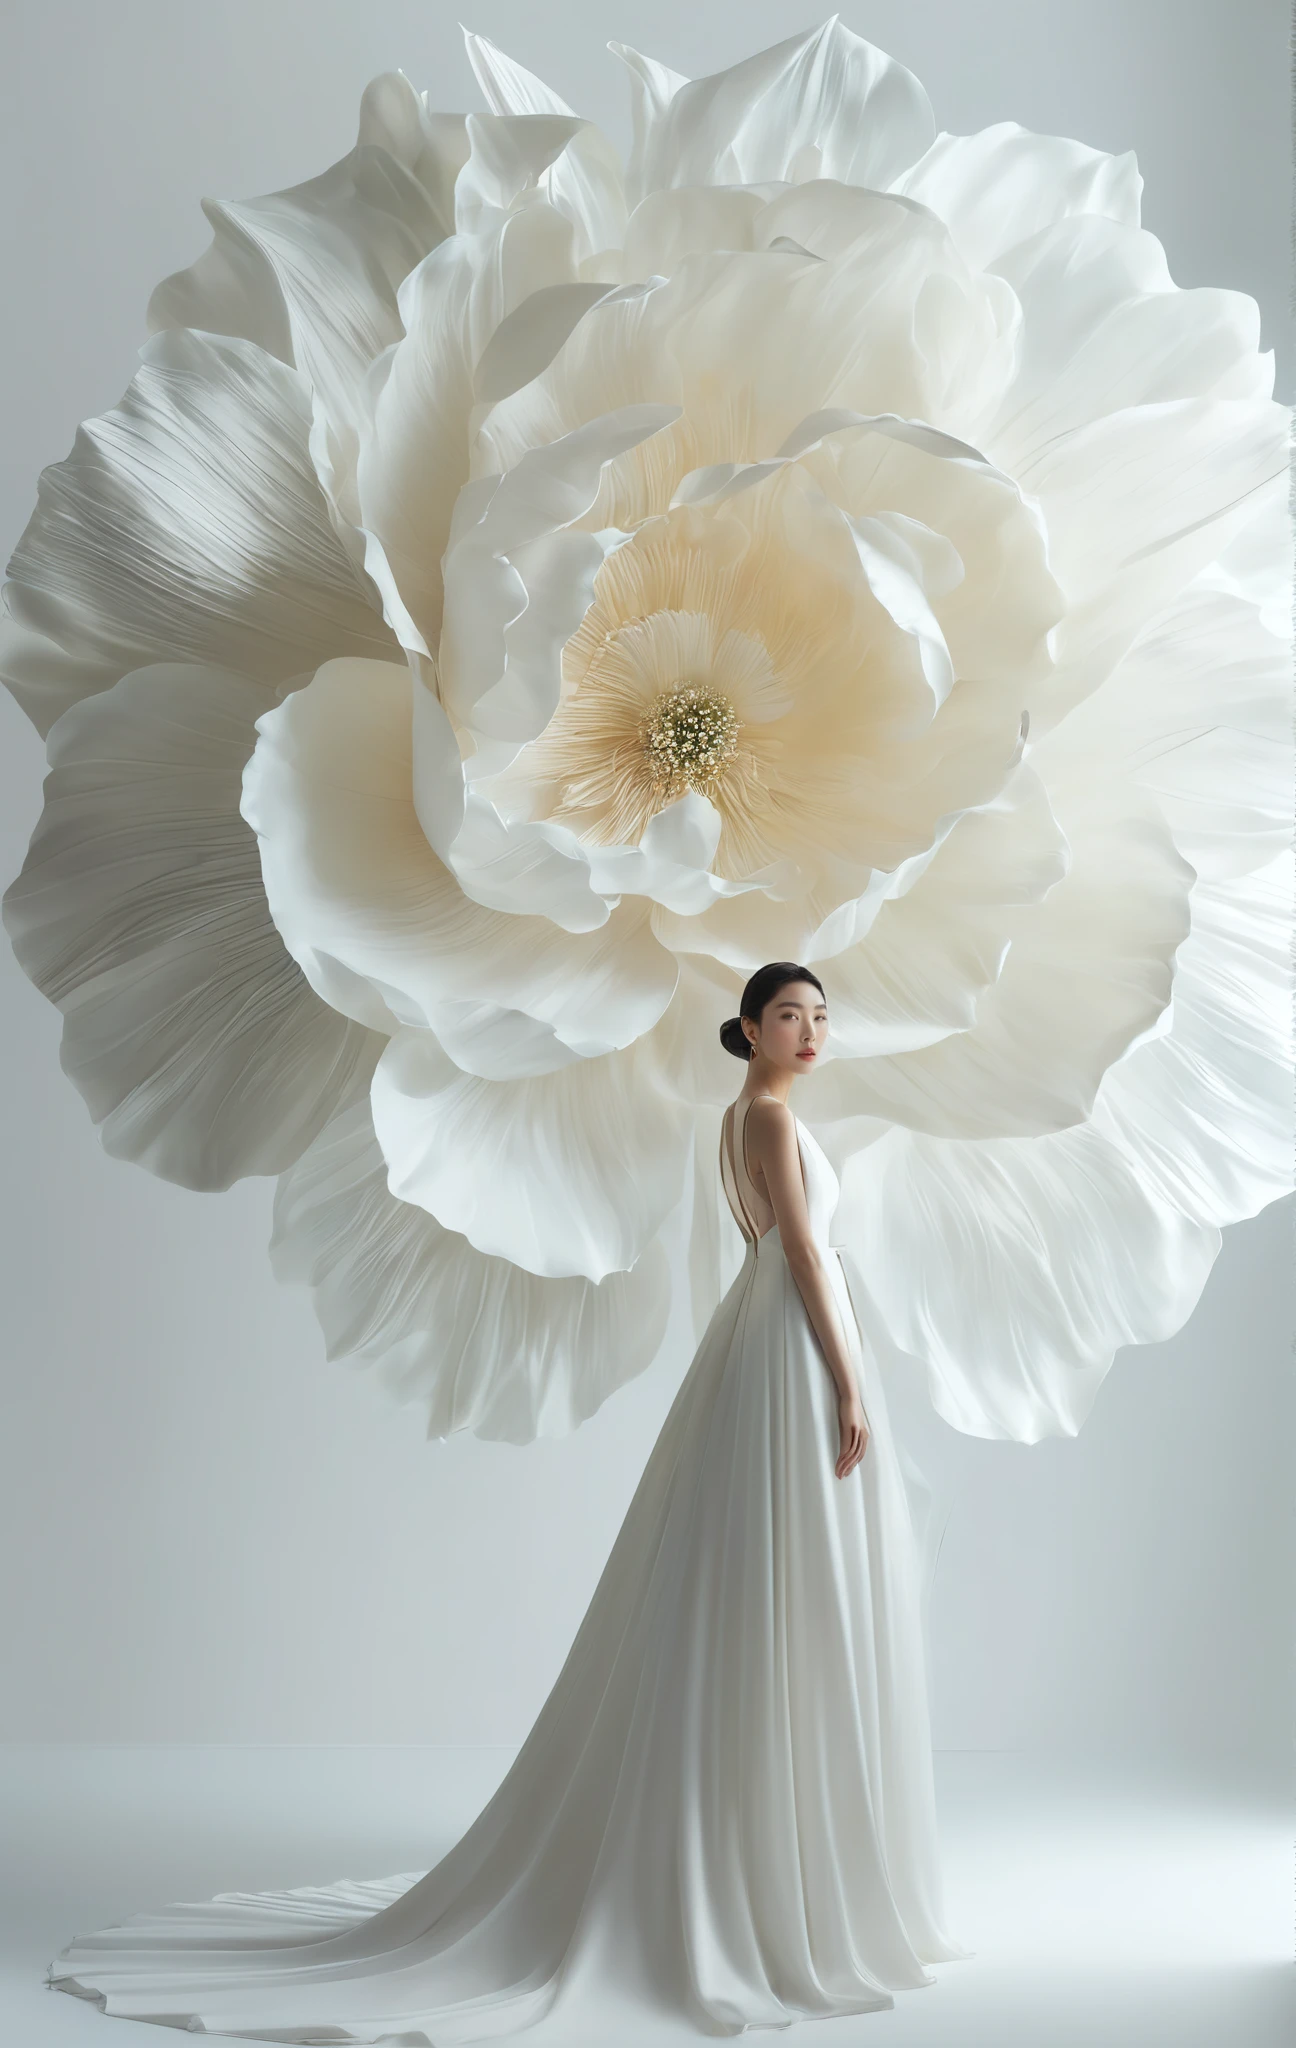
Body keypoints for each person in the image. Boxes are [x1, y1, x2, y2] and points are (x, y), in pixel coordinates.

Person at [48, 961, 967, 2042]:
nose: (810, 1031)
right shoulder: (764, 1117)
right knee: (785, 1573)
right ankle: (777, 1874)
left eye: (819, 1016)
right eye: (788, 1016)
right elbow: (802, 1246)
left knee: (769, 1574)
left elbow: (775, 1249)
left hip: (766, 1330)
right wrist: (850, 1375)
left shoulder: (745, 1113)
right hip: (795, 1336)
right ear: (748, 1028)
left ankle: (772, 1857)